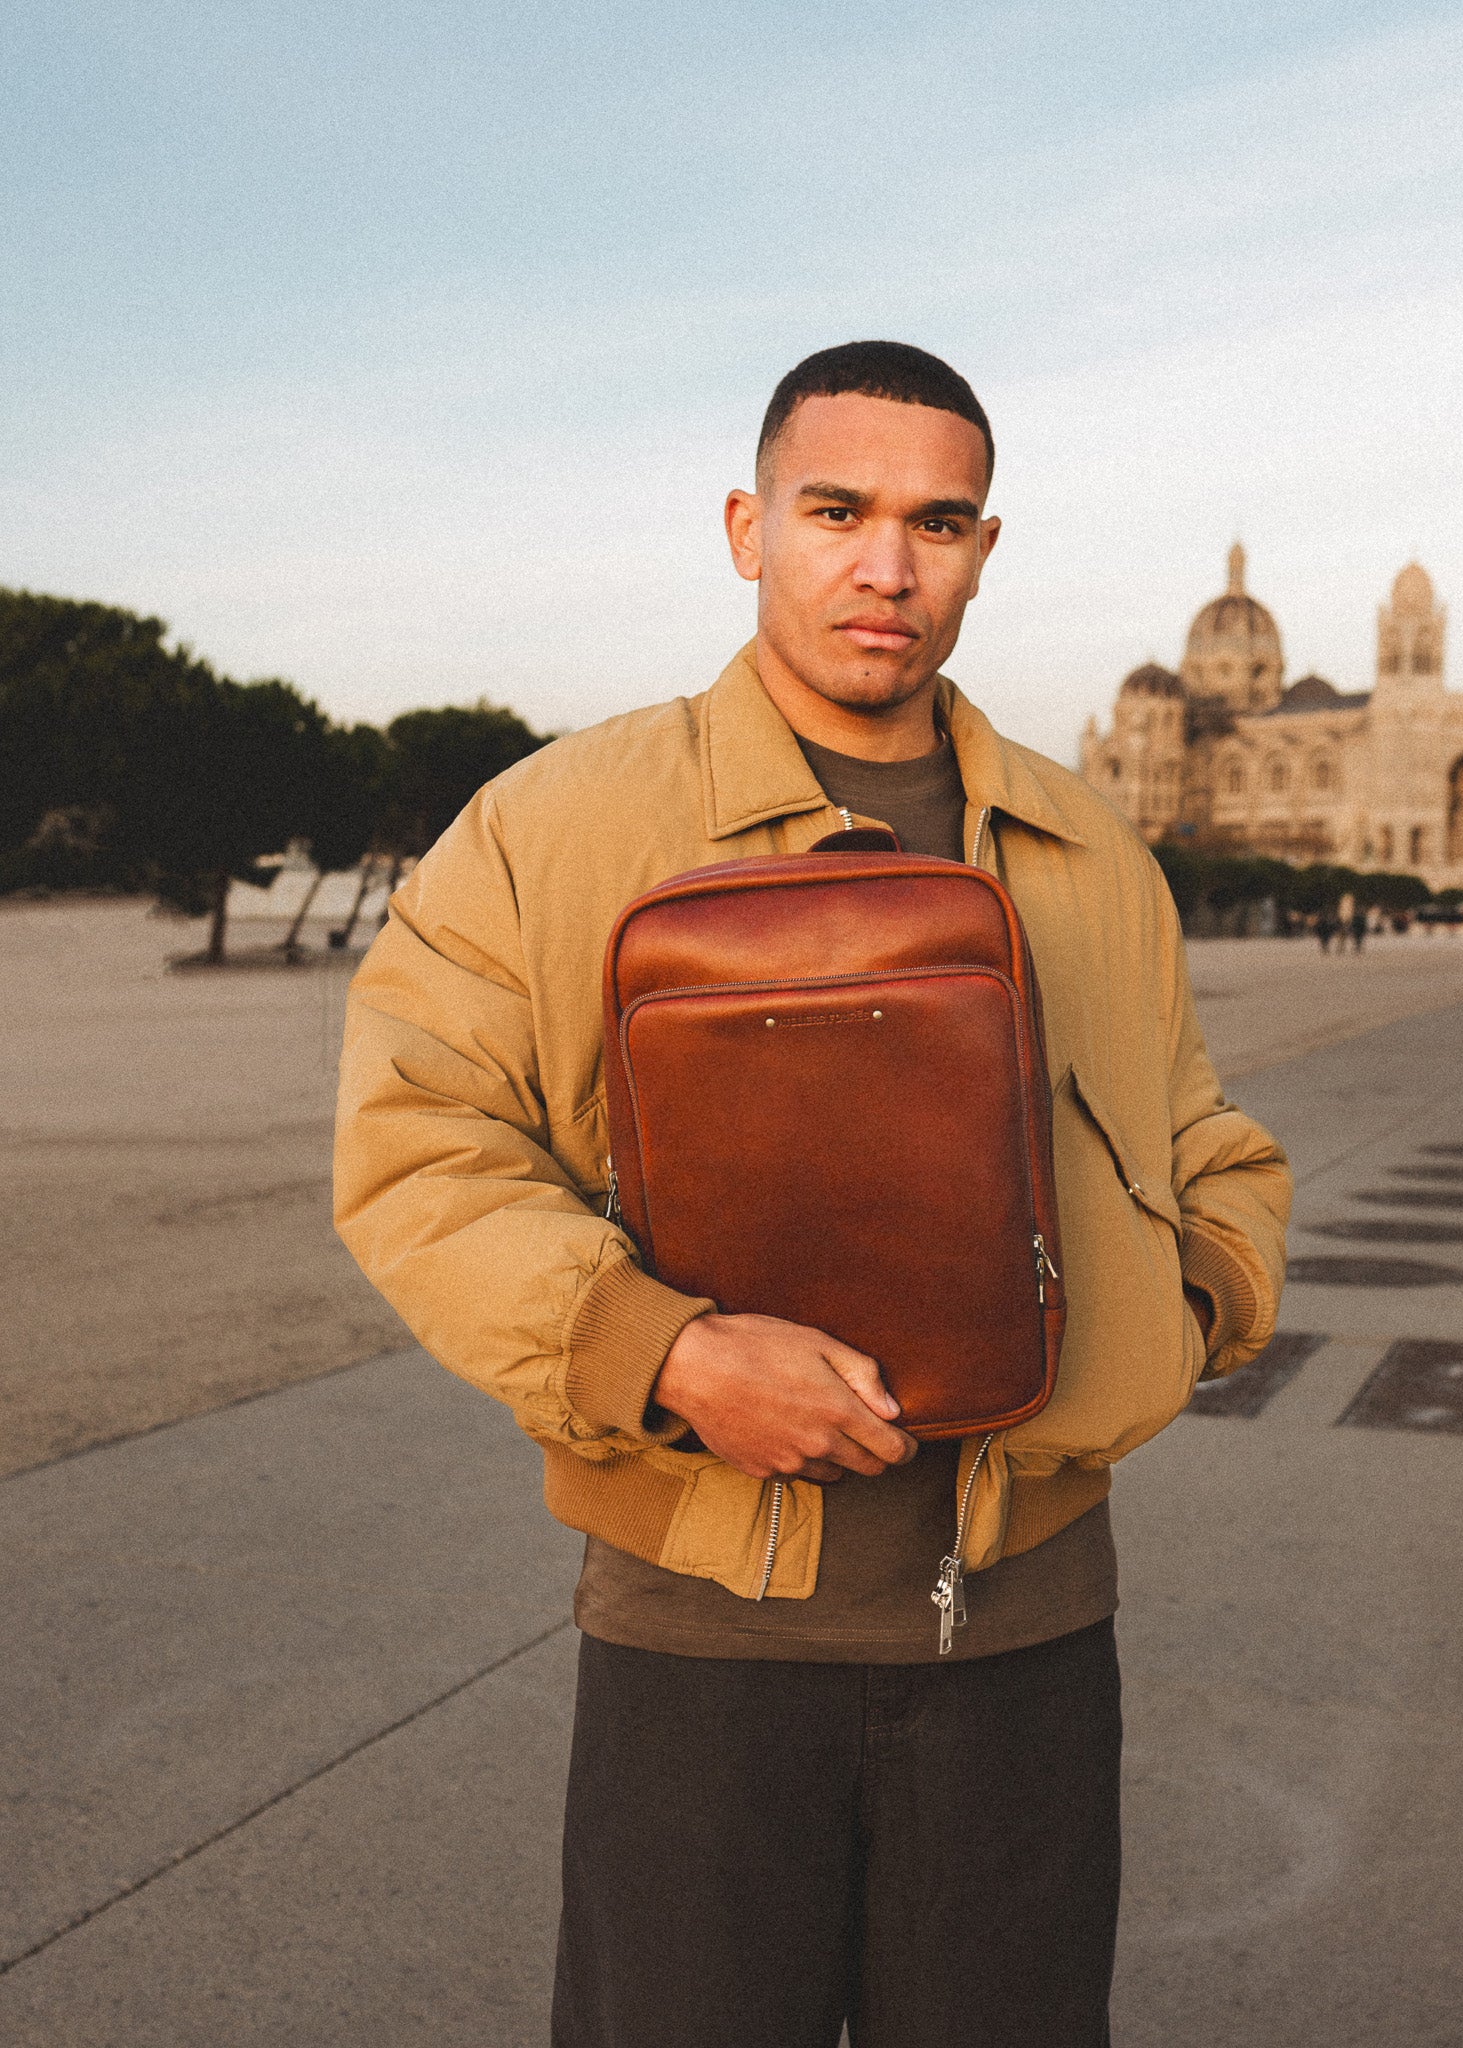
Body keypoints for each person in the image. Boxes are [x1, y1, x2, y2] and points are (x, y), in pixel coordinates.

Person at [334, 341, 1292, 2048]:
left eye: (937, 523)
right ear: (745, 526)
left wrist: (1191, 1299)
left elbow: (1201, 1140)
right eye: (836, 511)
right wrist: (669, 1356)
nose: (886, 567)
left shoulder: (1087, 850)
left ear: (982, 551)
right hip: (705, 1647)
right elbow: (418, 1149)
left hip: (1027, 1640)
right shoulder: (554, 826)